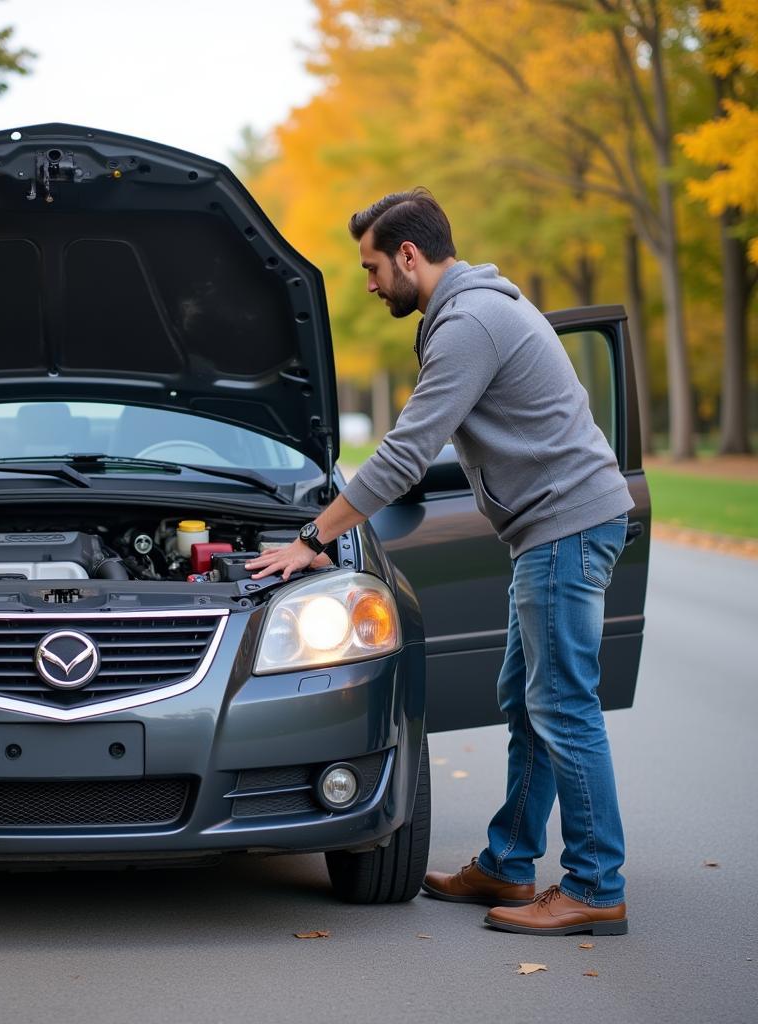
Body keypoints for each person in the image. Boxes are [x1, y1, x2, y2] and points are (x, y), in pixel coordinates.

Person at [244, 188, 634, 937]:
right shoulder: (480, 310)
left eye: (372, 266)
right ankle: (510, 865)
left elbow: (407, 452)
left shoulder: (469, 324)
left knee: (561, 706)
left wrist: (313, 538)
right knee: (527, 699)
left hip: (565, 528)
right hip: (560, 526)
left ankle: (595, 885)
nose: (369, 282)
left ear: (410, 256)